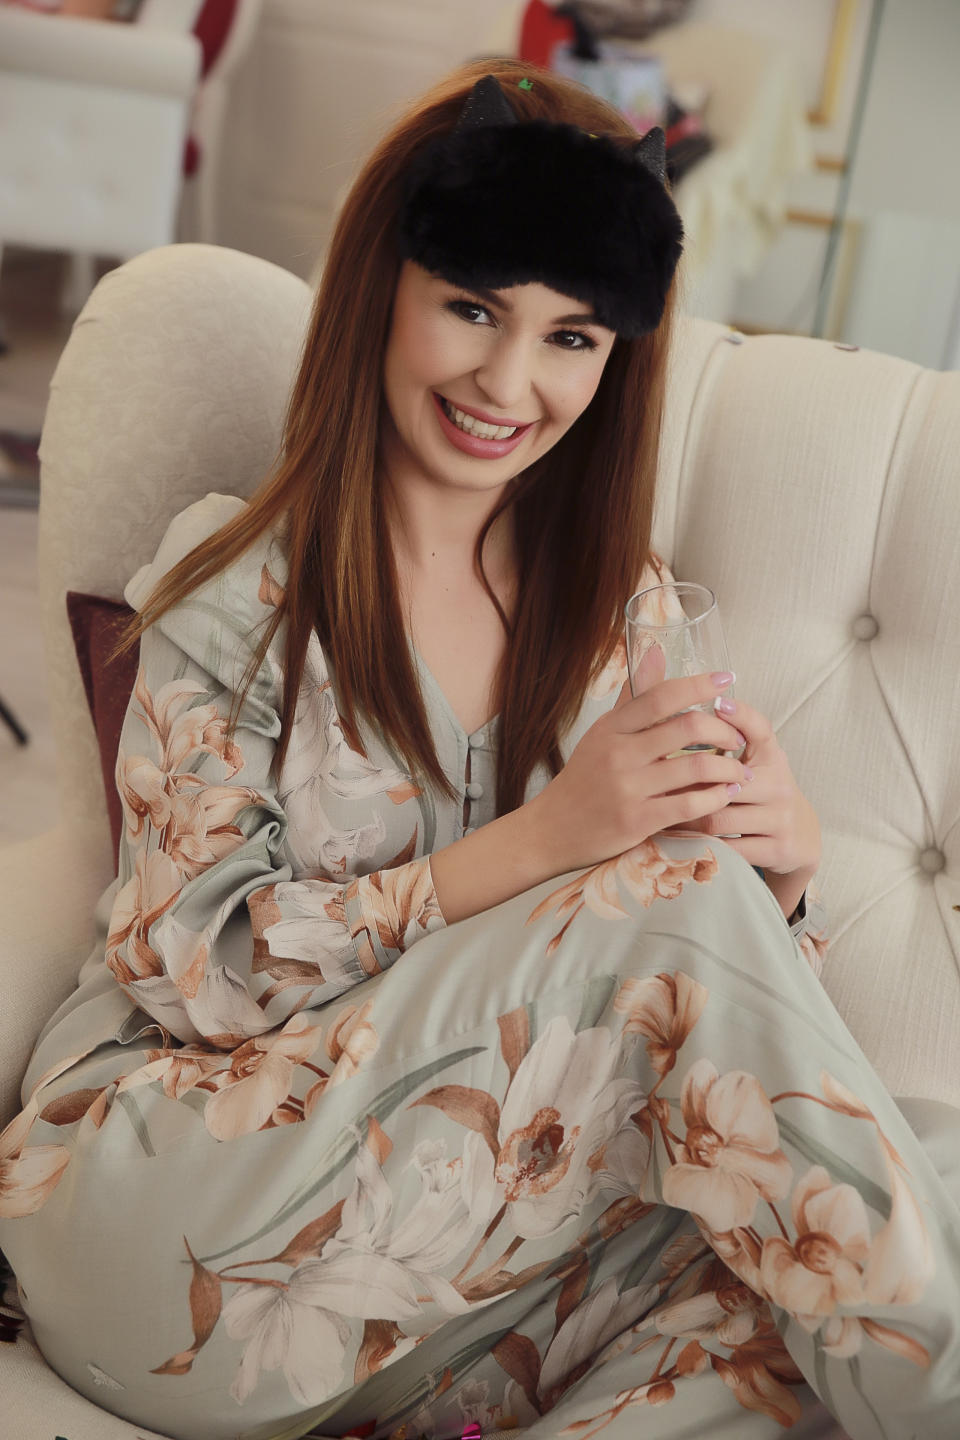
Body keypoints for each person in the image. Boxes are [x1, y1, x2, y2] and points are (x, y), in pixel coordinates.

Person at [1, 58, 958, 1440]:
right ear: (382, 292)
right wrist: (552, 842)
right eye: (471, 308)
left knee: (869, 1214)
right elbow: (195, 972)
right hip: (171, 1214)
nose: (511, 381)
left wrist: (787, 885)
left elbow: (724, 1062)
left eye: (572, 336)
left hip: (447, 1270)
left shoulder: (625, 616)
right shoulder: (238, 593)